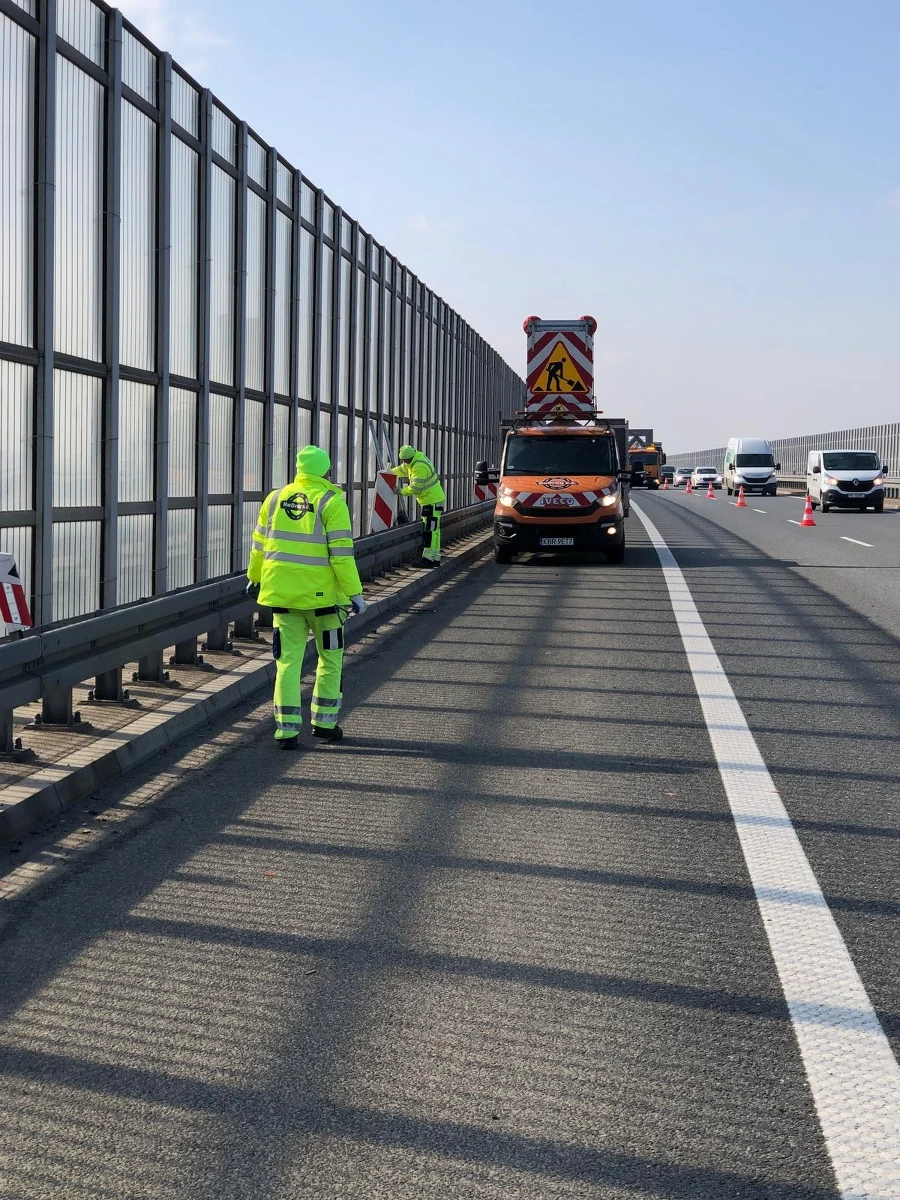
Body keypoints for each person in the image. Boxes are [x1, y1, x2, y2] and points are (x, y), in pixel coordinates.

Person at [245, 445, 365, 747]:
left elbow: (259, 544)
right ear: (326, 471)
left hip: (283, 598)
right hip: (325, 602)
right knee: (330, 659)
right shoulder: (331, 502)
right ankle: (324, 724)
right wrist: (355, 593)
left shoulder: (274, 499)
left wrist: (254, 577)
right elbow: (341, 556)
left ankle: (286, 731)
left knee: (287, 663)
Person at [390, 444, 446, 567]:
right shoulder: (416, 458)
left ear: (409, 458)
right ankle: (435, 558)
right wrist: (389, 473)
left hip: (431, 501)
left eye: (405, 460)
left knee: (429, 531)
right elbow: (402, 469)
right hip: (434, 499)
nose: (404, 463)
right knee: (434, 530)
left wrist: (401, 491)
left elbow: (416, 488)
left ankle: (428, 560)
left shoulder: (419, 466)